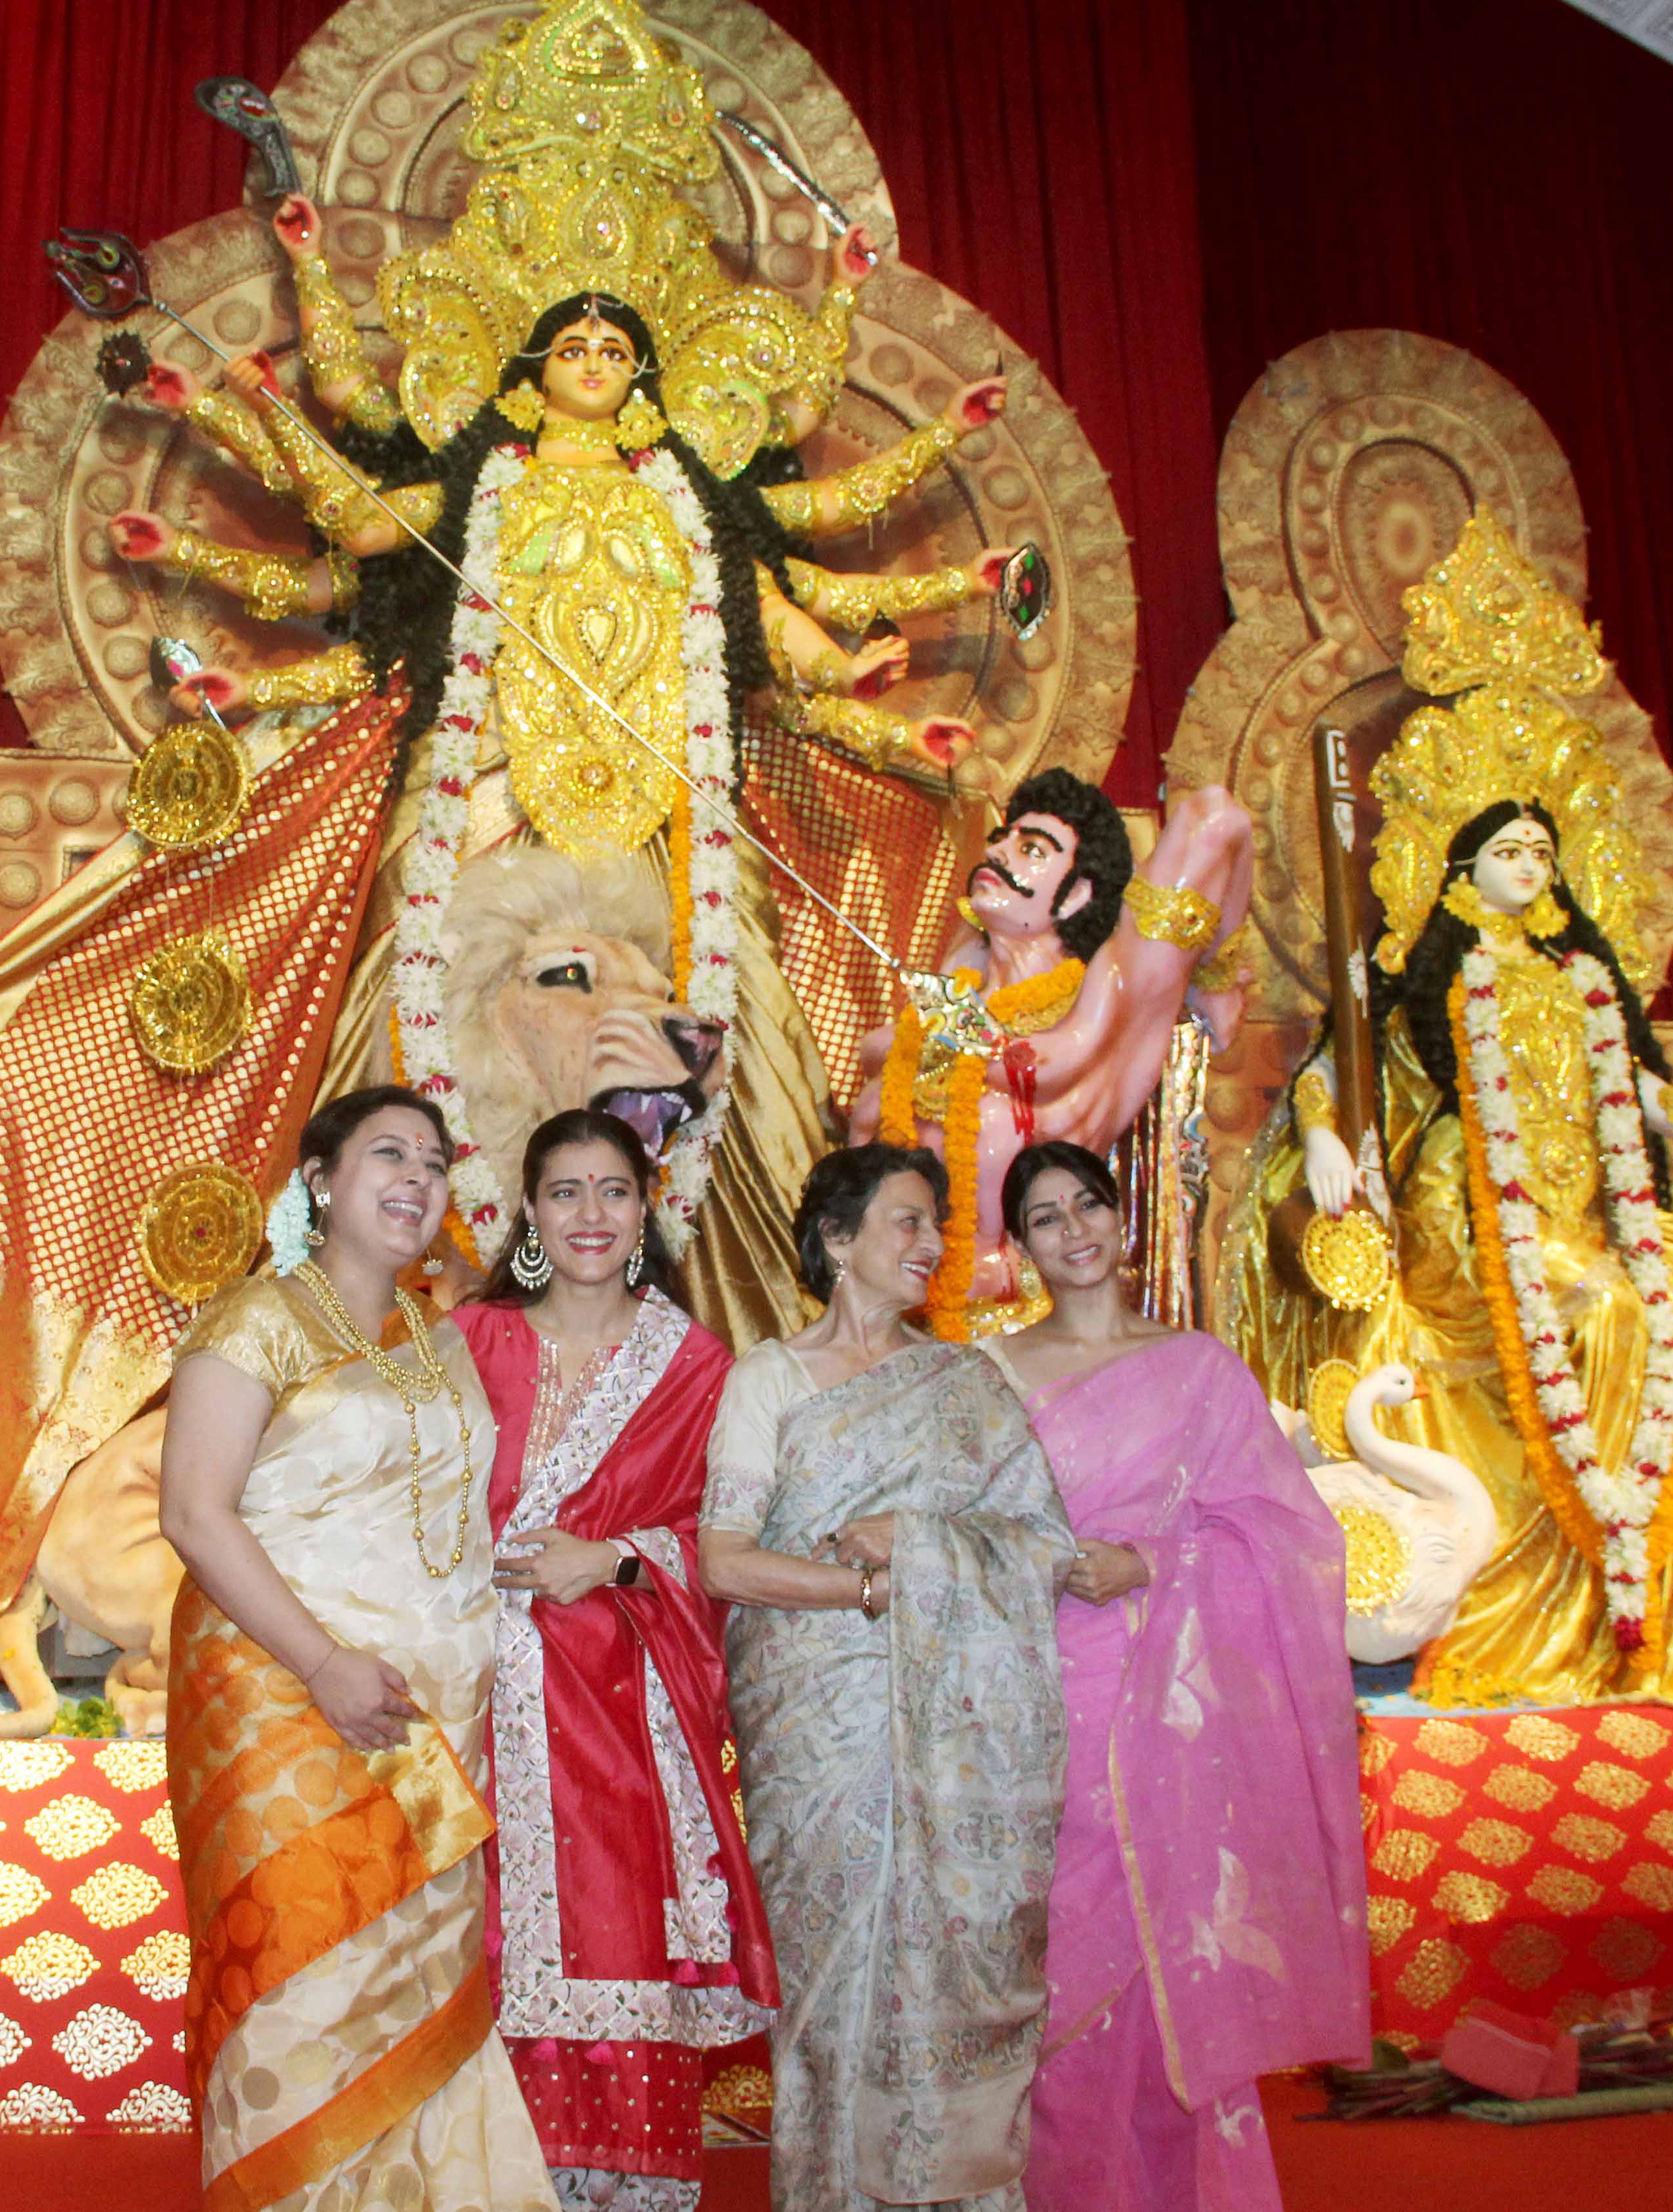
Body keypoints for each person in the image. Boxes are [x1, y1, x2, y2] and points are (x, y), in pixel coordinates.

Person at [111, 0, 1025, 1346]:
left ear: (644, 374)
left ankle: (665, 1330)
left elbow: (781, 620)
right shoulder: (480, 478)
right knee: (439, 1021)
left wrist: (866, 673)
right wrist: (241, 394)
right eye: (572, 350)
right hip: (484, 792)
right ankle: (433, 1327)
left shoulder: (688, 498)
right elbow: (361, 525)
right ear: (534, 370)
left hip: (667, 814)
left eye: (614, 349)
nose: (593, 364)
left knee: (679, 1039)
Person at [1223, 514, 1673, 1706]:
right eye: (1508, 848)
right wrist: (1328, 1137)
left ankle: (1647, 1611)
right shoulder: (1433, 977)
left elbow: (1644, 1090)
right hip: (1473, 1215)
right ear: (1456, 868)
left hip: (1591, 1212)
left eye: (1545, 845)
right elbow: (1344, 1071)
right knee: (1595, 1316)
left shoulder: (1587, 979)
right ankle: (1544, 1600)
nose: (1531, 860)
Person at [158, 1086, 555, 2212]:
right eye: (388, 1153)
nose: (418, 1178)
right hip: (284, 1698)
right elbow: (194, 1512)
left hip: (430, 1713)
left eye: (434, 1160)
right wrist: (326, 1663)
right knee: (301, 1967)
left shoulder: (436, 1331)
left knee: (418, 1974)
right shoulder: (255, 1319)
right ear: (322, 1178)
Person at [983, 1141, 1369, 2211]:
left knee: (1172, 1961)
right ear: (1016, 1247)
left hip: (1173, 1707)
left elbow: (1290, 1538)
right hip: (1040, 1701)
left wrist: (1149, 1564)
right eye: (1045, 1216)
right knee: (1061, 1972)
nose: (1073, 1230)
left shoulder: (1199, 1368)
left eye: (1087, 1204)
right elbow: (966, 1535)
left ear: (1119, 1216)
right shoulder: (992, 1373)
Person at [701, 1142, 1073, 2210]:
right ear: (836, 1238)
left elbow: (1042, 1543)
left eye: (935, 1225)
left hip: (955, 1728)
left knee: (948, 1964)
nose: (928, 1244)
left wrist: (911, 1545)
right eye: (906, 1221)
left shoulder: (967, 1378)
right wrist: (868, 1593)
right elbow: (724, 1558)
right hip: (820, 1732)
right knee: (833, 1990)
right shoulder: (768, 1374)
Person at [454, 1109, 777, 2207]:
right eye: (564, 1191)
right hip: (476, 1703)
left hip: (620, 1715)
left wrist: (615, 1557)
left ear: (647, 1209)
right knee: (478, 1954)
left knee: (618, 1932)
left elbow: (725, 1538)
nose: (589, 1214)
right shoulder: (467, 1341)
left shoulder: (691, 1363)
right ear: (528, 1211)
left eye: (612, 1190)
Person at [847, 768, 1255, 1335]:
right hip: (893, 1330)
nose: (998, 852)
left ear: (1077, 895)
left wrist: (1212, 975)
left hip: (1026, 1336)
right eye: (1001, 838)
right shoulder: (960, 975)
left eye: (1031, 849)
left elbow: (1216, 815)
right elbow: (880, 1062)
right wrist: (928, 1036)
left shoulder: (1102, 988)